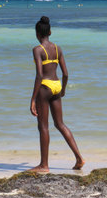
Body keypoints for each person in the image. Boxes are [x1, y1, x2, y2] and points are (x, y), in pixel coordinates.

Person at [29, 16, 85, 173]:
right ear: (50, 32)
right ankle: (79, 158)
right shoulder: (58, 48)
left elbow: (39, 76)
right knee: (60, 124)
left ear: (37, 34)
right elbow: (66, 73)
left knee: (43, 126)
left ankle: (44, 165)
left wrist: (33, 99)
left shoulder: (37, 50)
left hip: (45, 87)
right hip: (56, 86)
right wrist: (63, 89)